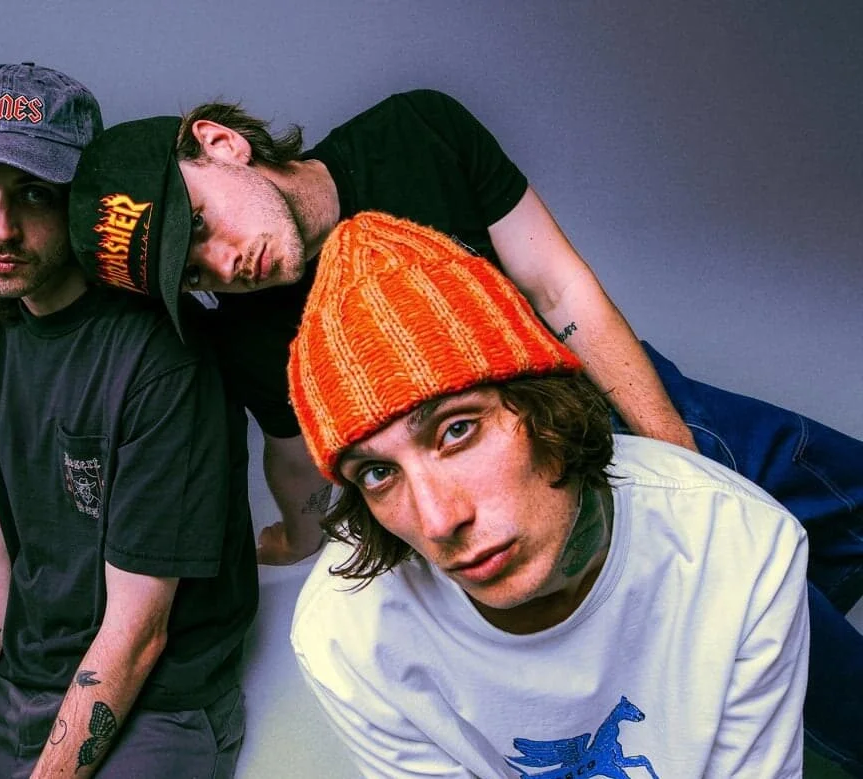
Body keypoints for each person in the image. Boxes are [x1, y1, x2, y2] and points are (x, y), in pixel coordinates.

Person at [66, 90, 863, 772]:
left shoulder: (417, 132)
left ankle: (741, 675)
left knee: (806, 523)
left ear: (220, 143)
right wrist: (298, 537)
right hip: (507, 502)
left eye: (203, 225)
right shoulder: (246, 337)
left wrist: (676, 469)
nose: (223, 265)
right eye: (193, 273)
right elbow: (304, 458)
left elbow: (559, 288)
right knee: (824, 672)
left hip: (611, 403)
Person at [290, 211, 810, 777]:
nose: (438, 521)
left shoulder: (737, 542)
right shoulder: (346, 633)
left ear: (550, 408)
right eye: (376, 473)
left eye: (457, 430)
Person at [0, 63, 257, 778]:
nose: (0, 227)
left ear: (82, 200)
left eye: (33, 194)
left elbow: (138, 633)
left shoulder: (161, 357)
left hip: (157, 701)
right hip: (18, 682)